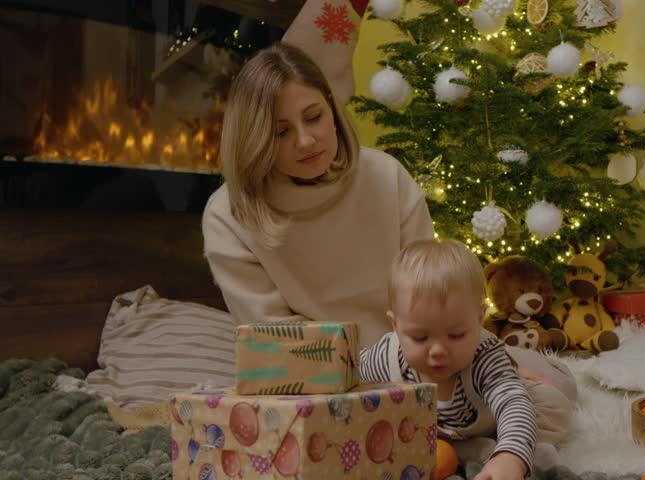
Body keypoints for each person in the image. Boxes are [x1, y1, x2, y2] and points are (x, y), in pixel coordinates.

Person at [201, 43, 577, 401]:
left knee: (558, 386)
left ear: (332, 109)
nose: (305, 140)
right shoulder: (227, 216)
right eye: (281, 132)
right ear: (255, 138)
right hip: (322, 379)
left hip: (424, 348)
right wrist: (381, 377)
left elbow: (434, 290)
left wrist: (468, 359)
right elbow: (281, 343)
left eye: (314, 117)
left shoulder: (385, 175)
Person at [360, 239, 573, 479]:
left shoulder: (484, 355)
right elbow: (346, 373)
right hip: (444, 430)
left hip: (488, 412)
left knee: (554, 406)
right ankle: (467, 447)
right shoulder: (386, 357)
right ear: (395, 325)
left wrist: (510, 457)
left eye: (456, 335)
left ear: (479, 319)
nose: (438, 350)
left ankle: (519, 435)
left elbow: (513, 404)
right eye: (420, 337)